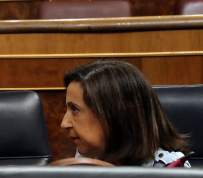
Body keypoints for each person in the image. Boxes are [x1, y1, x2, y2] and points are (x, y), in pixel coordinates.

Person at [61, 60, 191, 167]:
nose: (64, 123)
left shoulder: (171, 169)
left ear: (115, 114)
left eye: (75, 109)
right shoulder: (86, 158)